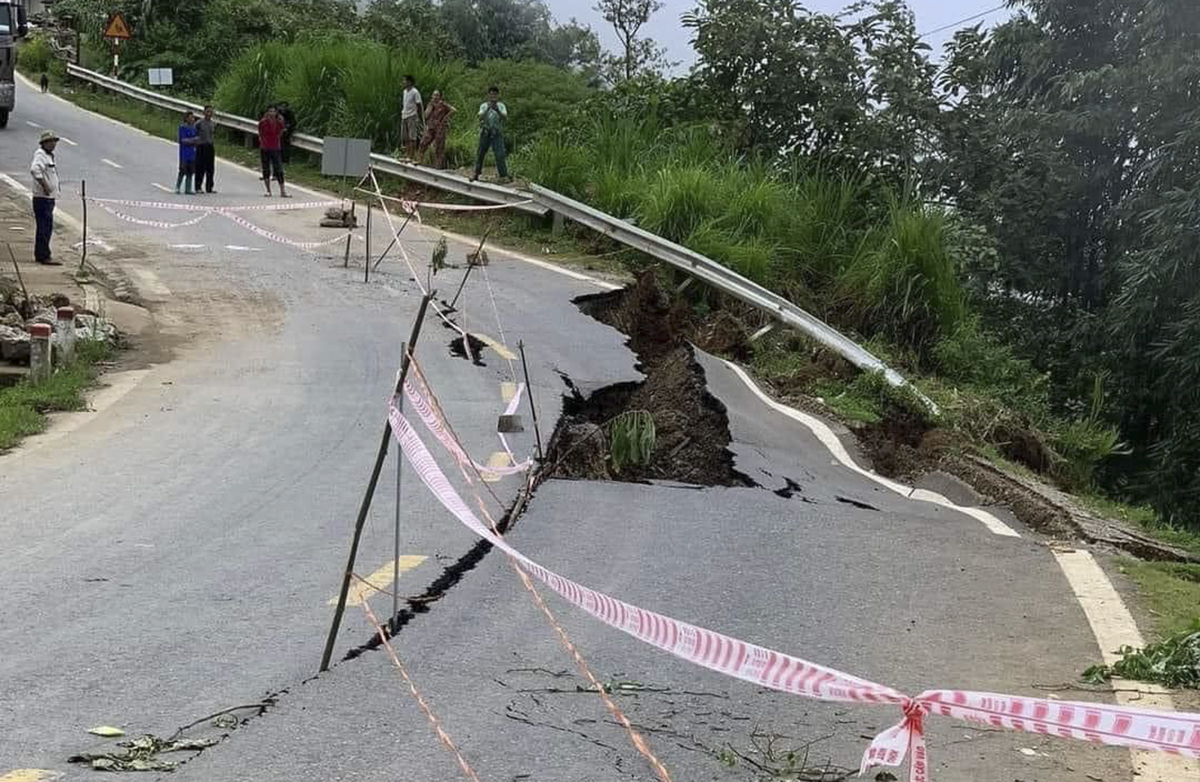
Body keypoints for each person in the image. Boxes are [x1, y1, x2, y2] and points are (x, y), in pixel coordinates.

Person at [29, 130, 61, 266]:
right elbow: (35, 170)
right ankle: (44, 255)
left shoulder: (48, 156)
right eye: (50, 141)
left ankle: (41, 254)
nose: (53, 144)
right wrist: (45, 186)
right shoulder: (41, 155)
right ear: (45, 143)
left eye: (54, 141)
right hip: (43, 198)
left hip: (48, 198)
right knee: (44, 227)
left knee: (46, 226)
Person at [471, 86, 509, 183]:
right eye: (491, 94)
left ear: (497, 95)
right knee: (480, 153)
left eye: (495, 94)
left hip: (497, 132)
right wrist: (488, 108)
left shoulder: (501, 105)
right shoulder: (483, 105)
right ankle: (476, 173)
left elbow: (505, 117)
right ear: (488, 95)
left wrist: (497, 110)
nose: (493, 96)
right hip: (485, 131)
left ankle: (503, 175)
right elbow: (479, 116)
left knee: (500, 154)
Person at [418, 90, 456, 169]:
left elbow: (454, 110)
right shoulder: (430, 104)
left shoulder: (443, 104)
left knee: (439, 147)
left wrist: (445, 118)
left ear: (439, 96)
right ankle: (419, 161)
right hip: (431, 127)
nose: (435, 97)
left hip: (440, 128)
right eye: (434, 95)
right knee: (423, 143)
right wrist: (429, 108)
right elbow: (425, 115)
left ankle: (438, 166)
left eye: (437, 95)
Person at [258, 106, 290, 198]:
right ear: (267, 112)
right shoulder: (263, 123)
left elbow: (281, 131)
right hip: (265, 147)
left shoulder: (278, 123)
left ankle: (282, 191)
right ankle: (268, 190)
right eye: (270, 111)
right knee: (266, 168)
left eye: (274, 111)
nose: (272, 113)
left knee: (279, 169)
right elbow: (260, 134)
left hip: (275, 147)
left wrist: (276, 139)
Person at [399, 75, 423, 161]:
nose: (403, 82)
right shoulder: (405, 92)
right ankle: (406, 155)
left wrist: (418, 117)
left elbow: (419, 104)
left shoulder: (415, 92)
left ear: (409, 82)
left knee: (412, 137)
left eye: (404, 81)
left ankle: (411, 156)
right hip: (404, 115)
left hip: (412, 116)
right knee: (405, 137)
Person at [194, 105, 217, 194]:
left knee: (210, 168)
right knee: (200, 167)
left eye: (211, 112)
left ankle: (209, 187)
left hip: (210, 146)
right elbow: (195, 134)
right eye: (208, 111)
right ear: (204, 112)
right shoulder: (199, 123)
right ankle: (198, 186)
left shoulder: (213, 123)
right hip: (201, 146)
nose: (209, 114)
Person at [175, 111, 198, 195]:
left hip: (192, 153)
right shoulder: (182, 127)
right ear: (186, 118)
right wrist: (193, 140)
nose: (193, 119)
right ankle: (177, 187)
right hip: (184, 153)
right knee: (182, 170)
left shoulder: (194, 128)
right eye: (191, 117)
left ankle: (188, 189)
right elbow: (183, 140)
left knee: (190, 172)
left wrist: (193, 140)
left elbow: (198, 139)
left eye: (193, 117)